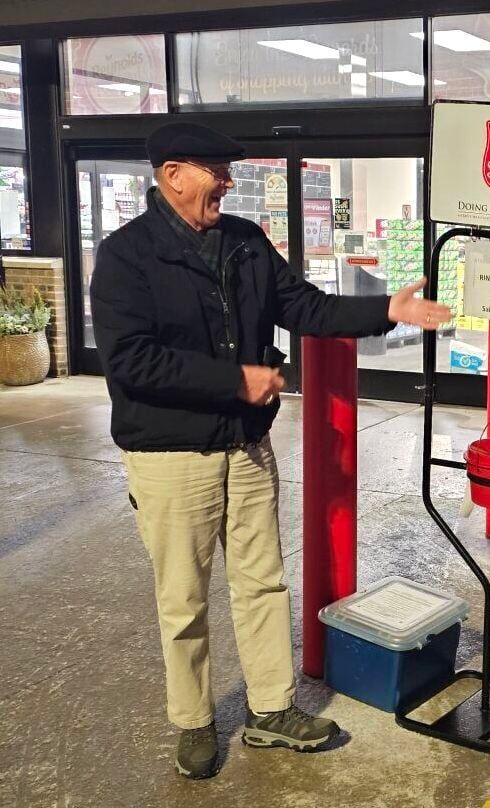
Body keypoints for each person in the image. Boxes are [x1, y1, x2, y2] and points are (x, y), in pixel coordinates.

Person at [90, 122, 451, 780]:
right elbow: (131, 362)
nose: (227, 181)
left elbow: (304, 306)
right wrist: (235, 379)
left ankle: (271, 710)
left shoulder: (244, 243)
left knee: (261, 584)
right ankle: (195, 721)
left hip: (246, 449)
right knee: (184, 599)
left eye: (228, 170)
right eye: (215, 169)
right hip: (172, 458)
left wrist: (386, 313)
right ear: (173, 174)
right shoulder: (126, 257)